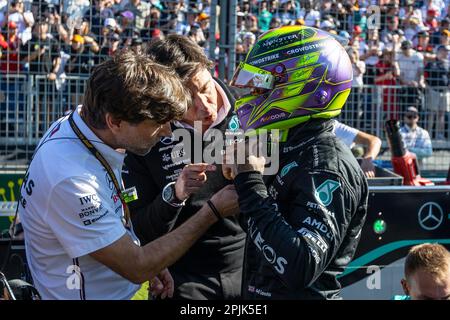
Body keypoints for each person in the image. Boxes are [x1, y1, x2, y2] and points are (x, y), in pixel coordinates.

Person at [18, 50, 238, 300]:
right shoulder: (71, 179)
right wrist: (212, 212)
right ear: (116, 122)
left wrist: (148, 259)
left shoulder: (84, 124)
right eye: (158, 123)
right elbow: (135, 266)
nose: (167, 132)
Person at [225, 25, 368, 299]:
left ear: (305, 85)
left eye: (263, 85)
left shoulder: (327, 165)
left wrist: (250, 181)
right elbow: (263, 237)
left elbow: (300, 267)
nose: (250, 95)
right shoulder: (289, 146)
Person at [123, 35, 245, 300]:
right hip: (182, 278)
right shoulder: (148, 135)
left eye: (204, 88)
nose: (204, 107)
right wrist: (174, 195)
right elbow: (138, 228)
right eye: (187, 101)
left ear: (210, 70)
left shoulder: (251, 112)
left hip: (252, 270)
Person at [424, 44, 450, 139]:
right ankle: (428, 135)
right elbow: (425, 75)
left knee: (442, 114)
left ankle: (440, 134)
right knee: (431, 113)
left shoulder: (448, 63)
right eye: (443, 51)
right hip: (433, 90)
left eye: (446, 51)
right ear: (438, 51)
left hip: (445, 91)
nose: (445, 53)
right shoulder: (431, 63)